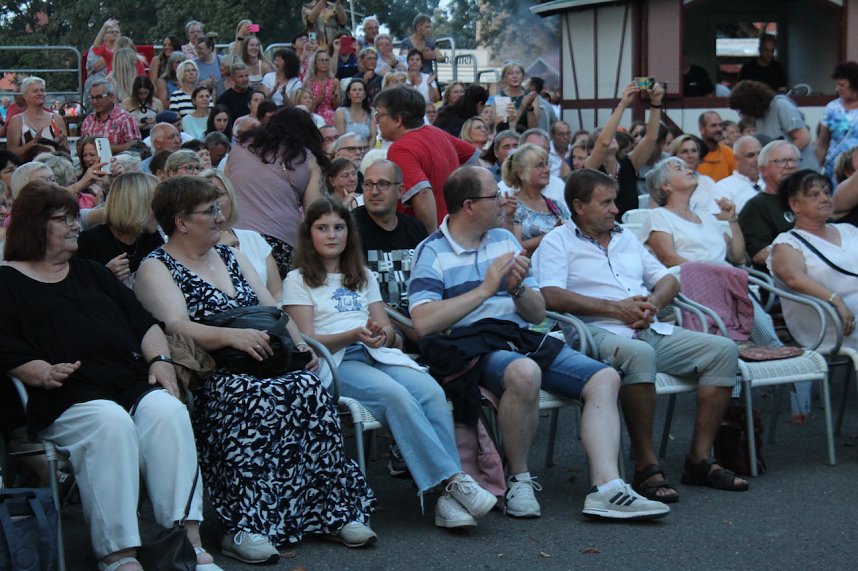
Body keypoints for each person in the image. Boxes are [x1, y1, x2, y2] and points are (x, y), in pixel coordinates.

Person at [134, 175, 376, 562]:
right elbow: (176, 325)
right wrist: (231, 337)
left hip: (264, 358)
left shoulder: (230, 254)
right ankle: (246, 525)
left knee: (307, 388)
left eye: (218, 208)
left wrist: (299, 345)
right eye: (210, 211)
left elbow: (271, 309)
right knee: (249, 397)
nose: (220, 216)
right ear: (181, 222)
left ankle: (331, 513)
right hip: (211, 370)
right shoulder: (156, 266)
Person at [408, 165, 669, 520]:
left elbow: (536, 313)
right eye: (494, 196)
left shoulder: (504, 240)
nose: (504, 201)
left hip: (519, 337)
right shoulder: (432, 251)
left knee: (605, 377)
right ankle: (519, 478)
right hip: (470, 346)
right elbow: (423, 322)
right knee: (525, 371)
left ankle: (607, 487)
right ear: (469, 206)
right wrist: (486, 289)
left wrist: (517, 289)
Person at [0, 181, 218, 571]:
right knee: (110, 422)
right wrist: (39, 370)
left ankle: (187, 541)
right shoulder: (6, 282)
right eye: (63, 219)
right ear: (34, 225)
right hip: (65, 394)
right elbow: (4, 345)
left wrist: (160, 360)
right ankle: (118, 553)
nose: (75, 226)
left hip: (127, 381)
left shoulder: (92, 274)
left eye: (74, 217)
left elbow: (143, 323)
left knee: (168, 412)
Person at [533, 168, 748, 505]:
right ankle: (646, 464)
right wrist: (615, 309)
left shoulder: (625, 237)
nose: (615, 209)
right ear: (579, 206)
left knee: (722, 350)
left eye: (614, 201)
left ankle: (699, 459)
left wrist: (653, 303)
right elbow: (550, 295)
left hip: (646, 325)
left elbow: (669, 279)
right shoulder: (557, 241)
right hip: (595, 333)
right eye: (606, 203)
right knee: (640, 354)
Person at [284, 196, 497, 529]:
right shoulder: (297, 279)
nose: (332, 235)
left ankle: (447, 501)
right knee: (395, 396)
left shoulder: (362, 275)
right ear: (309, 234)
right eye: (322, 228)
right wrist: (354, 334)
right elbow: (307, 339)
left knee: (431, 391)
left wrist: (381, 335)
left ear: (349, 233)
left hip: (376, 353)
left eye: (338, 227)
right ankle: (453, 481)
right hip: (336, 361)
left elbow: (386, 328)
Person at [225, 107, 327, 277]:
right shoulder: (309, 159)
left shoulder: (238, 149)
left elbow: (225, 191)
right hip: (281, 242)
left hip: (236, 238)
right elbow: (314, 213)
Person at [770, 169, 858, 352]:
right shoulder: (787, 243)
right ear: (795, 204)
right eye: (814, 195)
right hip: (834, 326)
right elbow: (793, 278)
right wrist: (835, 300)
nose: (825, 199)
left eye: (827, 193)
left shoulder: (848, 230)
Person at [376, 86, 480, 232]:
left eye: (380, 115)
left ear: (398, 120)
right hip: (454, 229)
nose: (377, 121)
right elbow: (476, 162)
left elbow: (422, 193)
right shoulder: (437, 132)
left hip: (427, 234)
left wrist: (430, 238)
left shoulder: (400, 148)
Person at [351, 159, 427, 312]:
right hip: (373, 319)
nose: (374, 191)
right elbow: (356, 292)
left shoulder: (415, 228)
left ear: (400, 190)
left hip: (419, 315)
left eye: (383, 184)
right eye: (368, 184)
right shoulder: (350, 228)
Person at [584, 81, 665, 218]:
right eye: (603, 136)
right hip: (600, 225)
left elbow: (651, 138)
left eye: (613, 135)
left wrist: (656, 103)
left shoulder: (629, 163)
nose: (611, 138)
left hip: (629, 227)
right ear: (591, 149)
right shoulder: (591, 167)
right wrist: (623, 104)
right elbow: (604, 143)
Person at [200, 169, 282, 300]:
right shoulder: (195, 246)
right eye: (206, 197)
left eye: (218, 194)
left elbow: (277, 292)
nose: (214, 203)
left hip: (267, 311)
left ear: (231, 198)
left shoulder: (253, 239)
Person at [75, 172, 163, 288]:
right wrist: (105, 275)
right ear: (136, 206)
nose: (162, 211)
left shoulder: (151, 238)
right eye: (156, 205)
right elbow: (78, 290)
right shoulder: (89, 242)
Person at [738, 140, 800, 271]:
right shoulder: (756, 207)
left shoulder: (808, 199)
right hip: (784, 275)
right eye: (781, 161)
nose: (790, 166)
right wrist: (808, 256)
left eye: (793, 160)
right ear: (763, 170)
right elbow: (760, 254)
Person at [728, 80, 816, 171]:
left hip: (801, 169)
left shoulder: (781, 106)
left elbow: (803, 138)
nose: (741, 114)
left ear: (750, 103)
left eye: (742, 109)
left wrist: (781, 158)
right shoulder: (759, 117)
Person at [500, 143, 569, 255]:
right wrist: (552, 234)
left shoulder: (555, 205)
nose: (547, 170)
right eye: (540, 166)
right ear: (521, 173)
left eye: (547, 164)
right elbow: (516, 247)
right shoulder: (513, 207)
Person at [6, 76, 68, 158]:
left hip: (54, 164)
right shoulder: (17, 121)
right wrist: (34, 143)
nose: (40, 93)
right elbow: (11, 154)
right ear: (25, 96)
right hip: (28, 165)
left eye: (42, 90)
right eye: (35, 91)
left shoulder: (57, 119)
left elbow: (67, 152)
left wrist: (59, 144)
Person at [816, 61, 858, 183]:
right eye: (837, 84)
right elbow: (822, 143)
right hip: (834, 169)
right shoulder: (832, 108)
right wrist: (816, 170)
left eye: (842, 85)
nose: (837, 89)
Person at [80, 79, 141, 153]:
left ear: (111, 97)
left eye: (99, 97)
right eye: (92, 97)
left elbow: (135, 146)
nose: (94, 101)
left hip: (117, 159)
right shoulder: (88, 121)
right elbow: (81, 146)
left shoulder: (125, 118)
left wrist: (104, 148)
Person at [667, 134, 720, 216]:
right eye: (685, 151)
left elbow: (716, 212)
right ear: (674, 156)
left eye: (694, 151)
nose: (690, 156)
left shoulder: (707, 182)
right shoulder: (666, 183)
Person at [713, 135, 765, 213]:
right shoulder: (723, 188)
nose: (757, 159)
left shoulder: (772, 180)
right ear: (736, 159)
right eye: (750, 155)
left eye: (760, 154)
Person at [696, 111, 736, 182]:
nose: (718, 129)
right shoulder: (693, 153)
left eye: (720, 125)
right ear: (702, 129)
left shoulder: (729, 153)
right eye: (713, 126)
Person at [304, 49, 340, 125]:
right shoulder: (309, 82)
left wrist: (334, 98)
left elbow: (338, 106)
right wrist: (320, 98)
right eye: (321, 60)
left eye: (326, 60)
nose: (324, 63)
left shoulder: (335, 82)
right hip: (314, 115)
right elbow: (307, 106)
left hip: (331, 115)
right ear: (315, 63)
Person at [334, 79, 377, 143]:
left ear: (364, 95)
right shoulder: (340, 112)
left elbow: (373, 137)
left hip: (366, 148)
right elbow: (340, 138)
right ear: (348, 95)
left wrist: (368, 149)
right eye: (354, 90)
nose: (357, 93)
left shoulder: (371, 112)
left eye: (360, 90)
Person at [215, 64, 253, 132]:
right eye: (240, 76)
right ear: (232, 78)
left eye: (246, 75)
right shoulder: (224, 99)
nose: (244, 79)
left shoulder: (254, 95)